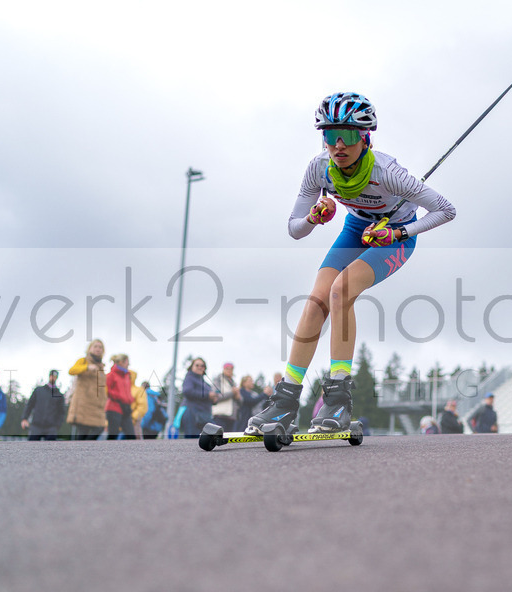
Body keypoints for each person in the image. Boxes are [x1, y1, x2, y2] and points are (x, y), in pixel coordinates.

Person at [246, 92, 455, 437]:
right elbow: (295, 229)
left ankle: (338, 398)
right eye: (330, 135)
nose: (338, 144)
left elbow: (446, 210)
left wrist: (399, 232)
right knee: (317, 299)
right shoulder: (319, 168)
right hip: (357, 229)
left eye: (348, 134)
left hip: (394, 235)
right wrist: (314, 218)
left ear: (365, 137)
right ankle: (285, 400)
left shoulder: (389, 173)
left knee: (341, 290)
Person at [67, 339, 108, 440]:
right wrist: (86, 367)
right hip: (84, 403)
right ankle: (81, 449)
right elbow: (71, 371)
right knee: (83, 430)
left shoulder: (101, 367)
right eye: (95, 346)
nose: (98, 349)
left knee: (100, 428)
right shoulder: (83, 361)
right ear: (90, 349)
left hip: (96, 404)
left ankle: (85, 447)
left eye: (100, 347)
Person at [22, 370, 65, 440]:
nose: (53, 378)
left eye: (55, 376)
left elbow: (61, 412)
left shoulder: (59, 395)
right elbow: (29, 405)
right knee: (32, 445)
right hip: (36, 425)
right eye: (51, 376)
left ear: (56, 378)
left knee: (50, 446)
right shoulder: (39, 390)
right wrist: (24, 418)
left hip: (51, 427)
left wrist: (57, 425)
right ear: (49, 376)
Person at [181, 357, 216, 438]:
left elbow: (207, 397)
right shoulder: (189, 378)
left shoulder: (205, 382)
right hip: (192, 414)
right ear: (192, 367)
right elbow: (187, 391)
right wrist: (207, 395)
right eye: (197, 365)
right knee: (192, 441)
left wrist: (214, 399)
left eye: (202, 366)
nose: (200, 367)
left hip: (204, 415)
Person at [105, 354, 136, 440]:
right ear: (121, 362)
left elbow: (127, 391)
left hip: (126, 408)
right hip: (114, 407)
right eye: (127, 362)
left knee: (131, 435)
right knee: (113, 434)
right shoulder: (111, 375)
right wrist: (119, 397)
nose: (128, 364)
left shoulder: (127, 376)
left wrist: (130, 399)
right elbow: (107, 390)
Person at [211, 362, 239, 431]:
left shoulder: (234, 383)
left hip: (232, 417)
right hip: (220, 416)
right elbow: (216, 396)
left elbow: (240, 401)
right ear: (223, 369)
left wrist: (238, 397)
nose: (229, 370)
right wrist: (232, 393)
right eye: (227, 368)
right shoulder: (218, 380)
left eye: (231, 369)